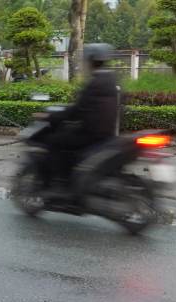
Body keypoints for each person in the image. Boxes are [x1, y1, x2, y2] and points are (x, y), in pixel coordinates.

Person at [40, 44, 121, 192]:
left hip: (92, 134)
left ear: (90, 60)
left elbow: (77, 110)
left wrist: (53, 117)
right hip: (108, 134)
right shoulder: (112, 80)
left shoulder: (95, 83)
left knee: (54, 140)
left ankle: (61, 184)